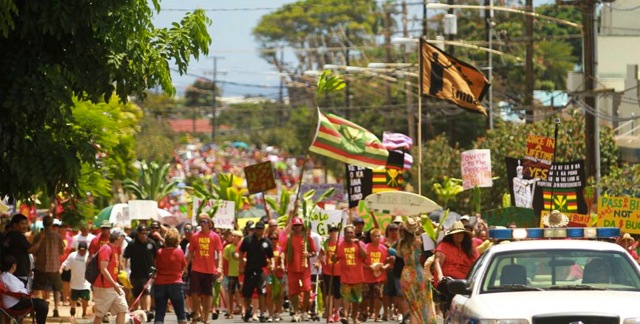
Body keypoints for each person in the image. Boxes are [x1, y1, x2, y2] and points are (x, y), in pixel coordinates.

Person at [433, 221, 479, 319]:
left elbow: (477, 264)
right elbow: (437, 262)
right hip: (447, 280)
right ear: (452, 236)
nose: (459, 236)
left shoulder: (470, 248)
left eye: (461, 233)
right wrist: (440, 276)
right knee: (453, 290)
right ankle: (450, 315)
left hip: (466, 281)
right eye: (456, 234)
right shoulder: (444, 246)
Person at [395, 217, 436, 324]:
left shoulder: (401, 243)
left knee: (413, 306)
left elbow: (399, 255)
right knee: (422, 304)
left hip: (406, 274)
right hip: (419, 273)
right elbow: (435, 240)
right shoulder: (420, 241)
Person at [187, 213, 223, 324]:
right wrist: (185, 267)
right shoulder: (194, 236)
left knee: (208, 295)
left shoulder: (215, 236)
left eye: (204, 221)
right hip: (196, 269)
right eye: (200, 221)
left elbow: (219, 252)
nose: (202, 224)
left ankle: (206, 318)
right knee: (194, 293)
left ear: (209, 223)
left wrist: (220, 267)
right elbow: (190, 253)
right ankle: (196, 313)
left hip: (209, 269)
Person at [282, 217, 317, 322]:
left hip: (304, 268)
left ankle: (305, 311)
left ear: (302, 226)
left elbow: (314, 251)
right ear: (293, 226)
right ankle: (296, 311)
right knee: (293, 291)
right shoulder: (289, 238)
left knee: (307, 289)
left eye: (299, 225)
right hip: (292, 268)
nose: (297, 227)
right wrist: (283, 264)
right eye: (295, 225)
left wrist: (309, 254)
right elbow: (283, 252)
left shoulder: (307, 238)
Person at [238, 221, 274, 323]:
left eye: (260, 229)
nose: (258, 231)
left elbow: (271, 256)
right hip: (249, 269)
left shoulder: (267, 242)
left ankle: (262, 313)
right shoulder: (248, 240)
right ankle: (248, 309)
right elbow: (241, 251)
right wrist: (241, 265)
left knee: (261, 292)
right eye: (257, 229)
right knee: (247, 293)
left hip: (261, 270)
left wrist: (272, 264)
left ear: (263, 229)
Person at [92, 228, 128, 324]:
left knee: (122, 308)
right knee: (100, 315)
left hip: (113, 286)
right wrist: (114, 284)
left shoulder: (116, 248)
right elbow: (103, 269)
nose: (124, 238)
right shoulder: (106, 248)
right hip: (103, 287)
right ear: (118, 238)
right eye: (123, 236)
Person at [31, 215, 65, 317]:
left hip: (40, 266)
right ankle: (56, 308)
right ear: (51, 224)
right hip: (54, 266)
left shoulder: (38, 236)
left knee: (37, 288)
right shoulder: (57, 236)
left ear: (43, 224)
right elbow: (62, 250)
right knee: (57, 288)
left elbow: (33, 251)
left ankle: (37, 307)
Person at [333, 224, 367, 324]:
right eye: (347, 233)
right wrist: (333, 257)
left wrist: (358, 245)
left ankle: (354, 317)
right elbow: (334, 259)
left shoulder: (359, 244)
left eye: (351, 233)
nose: (350, 234)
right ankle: (346, 316)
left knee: (356, 300)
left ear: (354, 234)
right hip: (345, 277)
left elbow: (365, 256)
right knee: (346, 297)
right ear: (344, 234)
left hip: (357, 277)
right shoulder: (340, 246)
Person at [1, 256, 49, 324]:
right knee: (42, 305)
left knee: (41, 302)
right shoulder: (8, 277)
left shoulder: (6, 276)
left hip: (16, 301)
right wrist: (27, 295)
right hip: (15, 304)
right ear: (13, 266)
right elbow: (16, 292)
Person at [154, 228, 188, 324]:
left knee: (159, 314)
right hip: (175, 283)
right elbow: (184, 266)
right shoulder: (179, 252)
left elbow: (156, 266)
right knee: (181, 314)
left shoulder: (159, 252)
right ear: (177, 240)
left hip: (160, 284)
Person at [123, 224, 157, 313]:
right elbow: (125, 257)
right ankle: (135, 313)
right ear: (138, 233)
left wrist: (155, 270)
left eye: (146, 233)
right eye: (142, 233)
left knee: (147, 293)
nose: (144, 235)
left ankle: (147, 311)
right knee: (135, 294)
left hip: (148, 275)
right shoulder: (132, 244)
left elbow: (156, 258)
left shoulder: (151, 243)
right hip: (135, 274)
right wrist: (123, 271)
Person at [3, 214, 42, 287]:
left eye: (26, 223)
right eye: (22, 224)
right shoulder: (19, 236)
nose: (25, 226)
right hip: (19, 272)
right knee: (21, 295)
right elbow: (31, 250)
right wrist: (41, 239)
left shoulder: (8, 235)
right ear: (15, 225)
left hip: (10, 272)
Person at [361, 228, 389, 322]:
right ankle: (364, 312)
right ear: (371, 237)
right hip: (367, 276)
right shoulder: (366, 247)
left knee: (379, 296)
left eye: (379, 236)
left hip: (379, 276)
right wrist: (369, 267)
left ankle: (376, 316)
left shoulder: (384, 248)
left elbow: (389, 262)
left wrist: (384, 267)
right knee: (365, 297)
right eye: (375, 236)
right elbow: (360, 262)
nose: (377, 238)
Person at [61, 241, 91, 318]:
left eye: (84, 250)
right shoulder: (73, 256)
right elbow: (65, 264)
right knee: (73, 299)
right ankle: (73, 309)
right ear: (78, 249)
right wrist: (61, 269)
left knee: (85, 299)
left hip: (85, 283)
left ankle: (84, 313)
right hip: (74, 282)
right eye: (80, 250)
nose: (82, 252)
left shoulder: (89, 256)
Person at [318, 224, 341, 322]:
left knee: (338, 294)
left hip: (339, 271)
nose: (333, 233)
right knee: (329, 293)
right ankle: (330, 314)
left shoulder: (340, 243)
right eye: (331, 231)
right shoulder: (325, 243)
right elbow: (321, 255)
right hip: (328, 271)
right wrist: (320, 262)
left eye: (335, 230)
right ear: (329, 232)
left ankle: (337, 312)